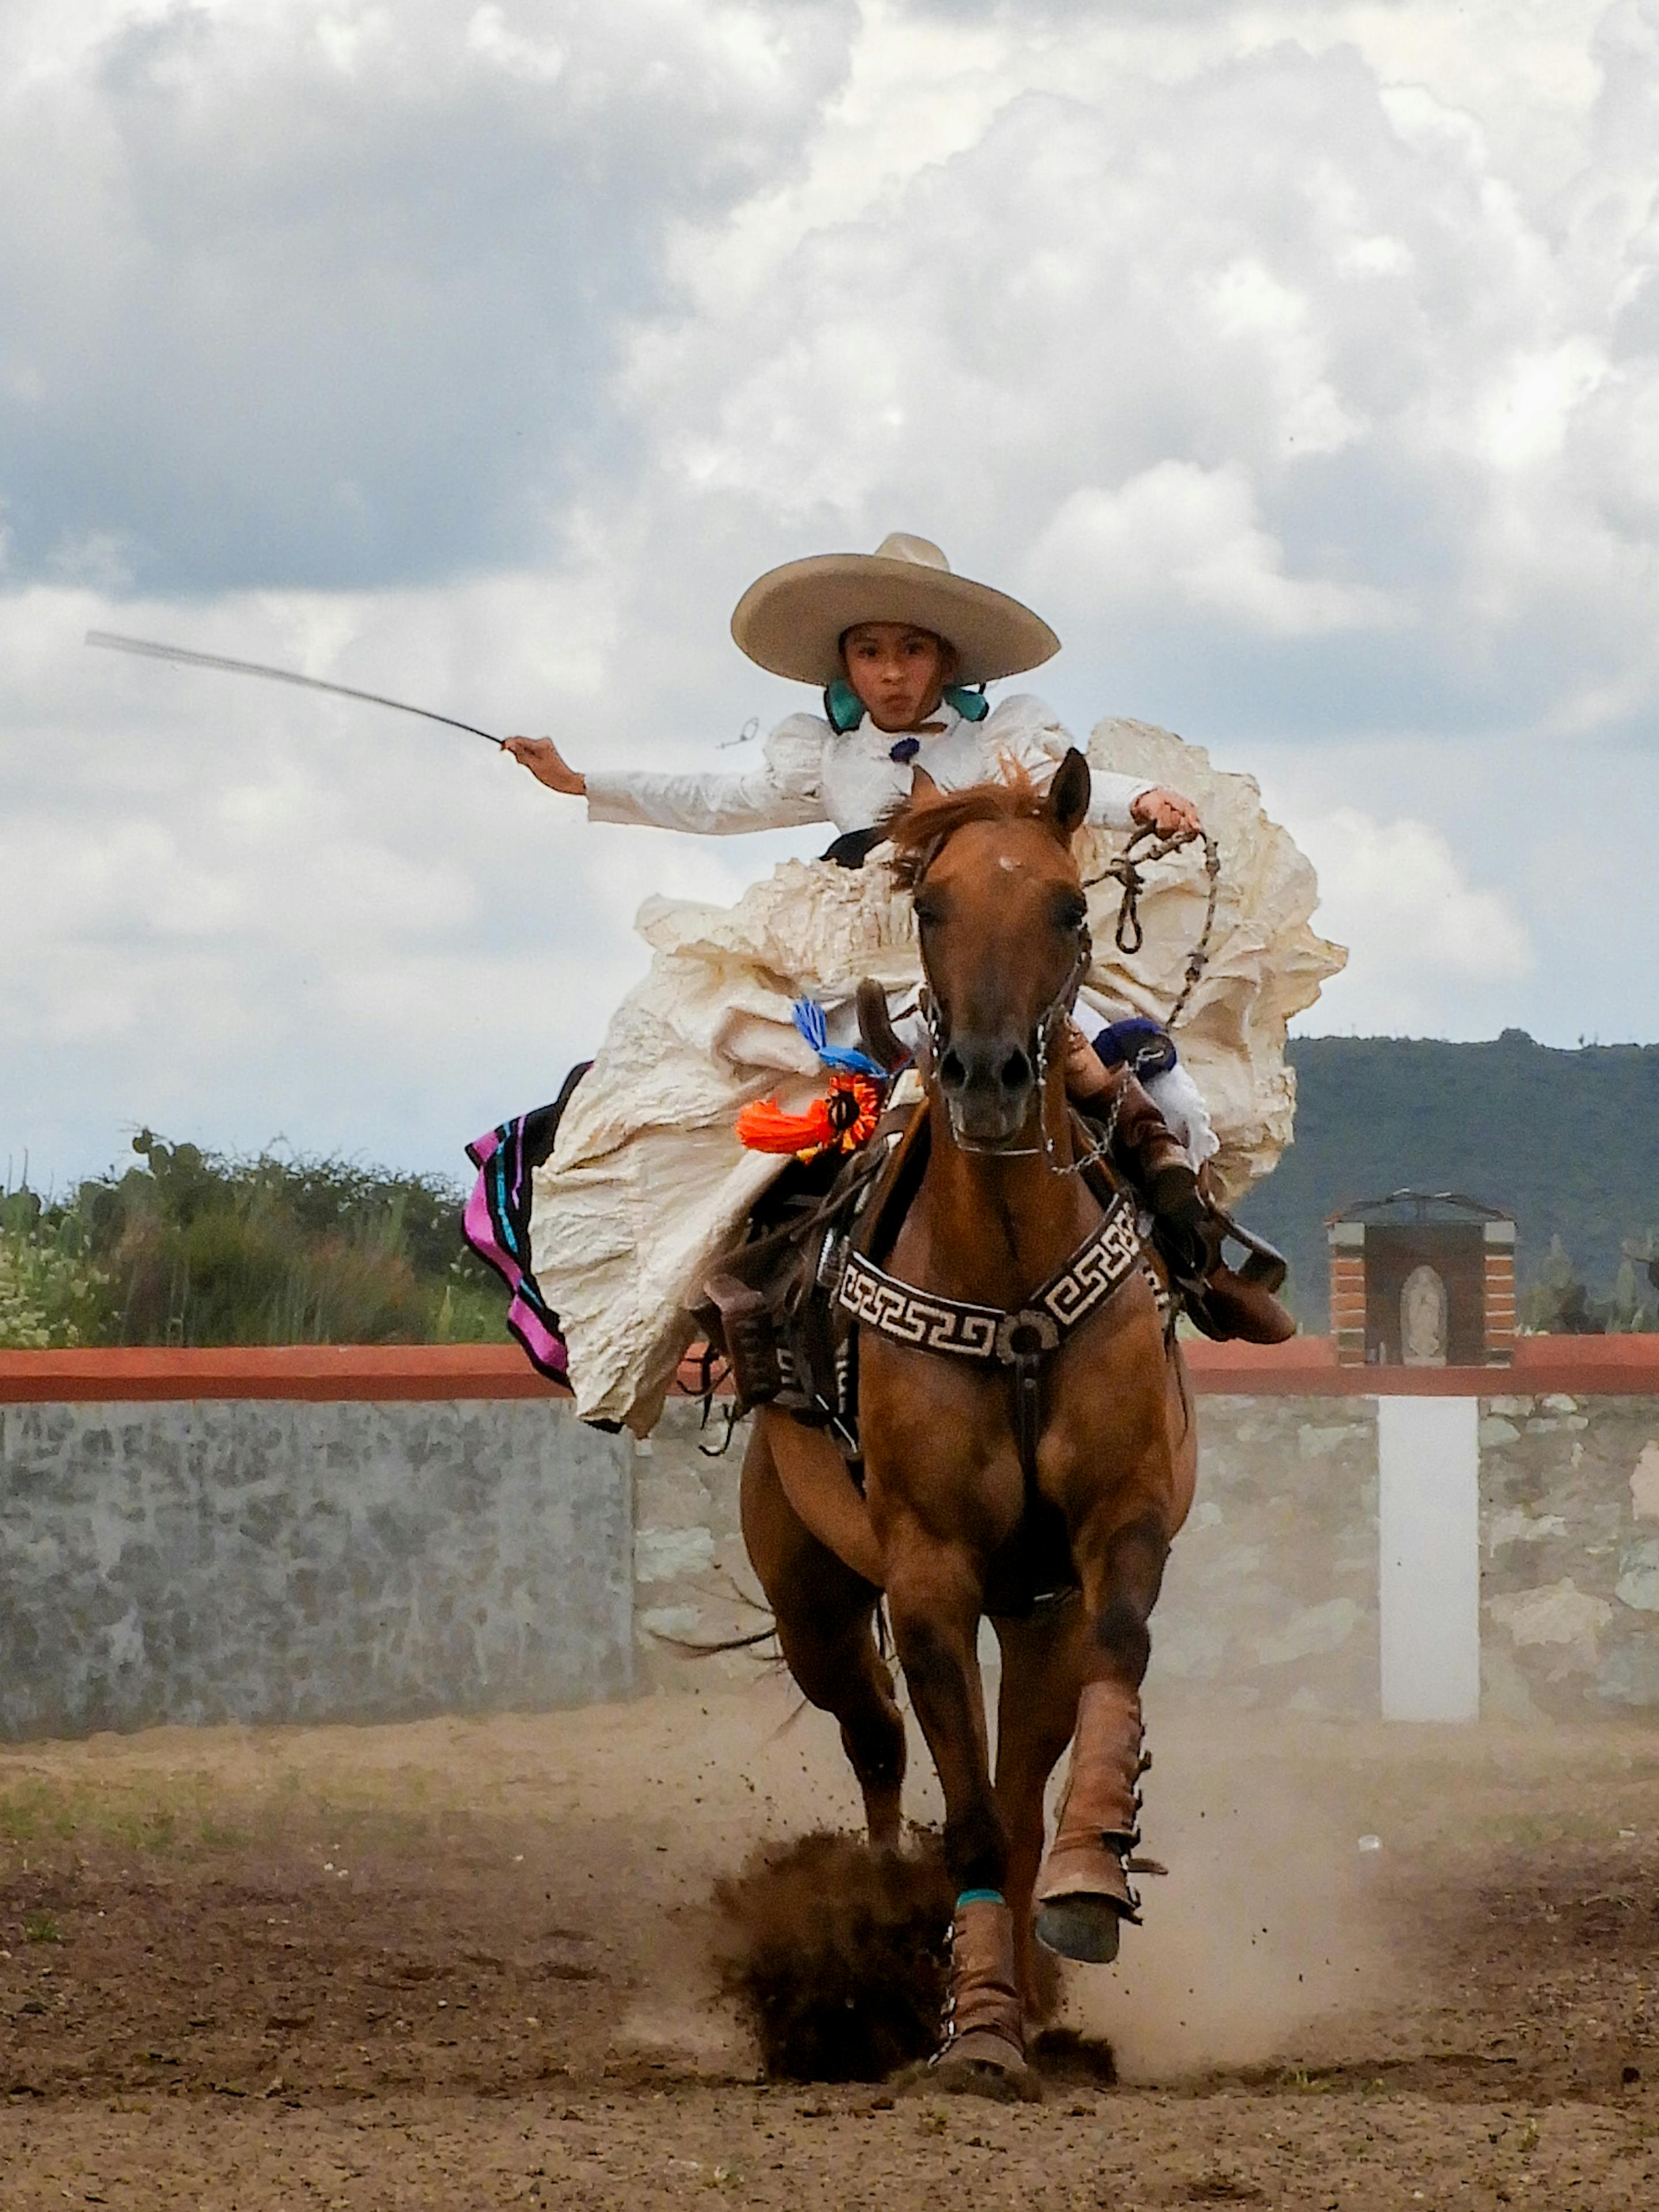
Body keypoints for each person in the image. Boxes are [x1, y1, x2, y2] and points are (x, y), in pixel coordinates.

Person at [474, 534, 1293, 1433]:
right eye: (870, 652)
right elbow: (717, 800)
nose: (892, 673)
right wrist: (584, 781)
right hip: (864, 972)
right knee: (752, 1124)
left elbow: (1074, 788)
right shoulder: (828, 759)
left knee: (1154, 1083)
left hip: (990, 967)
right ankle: (764, 1302)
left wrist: (1140, 800)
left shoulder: (1001, 741)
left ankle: (1196, 1260)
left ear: (946, 659)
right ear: (846, 665)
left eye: (910, 650)